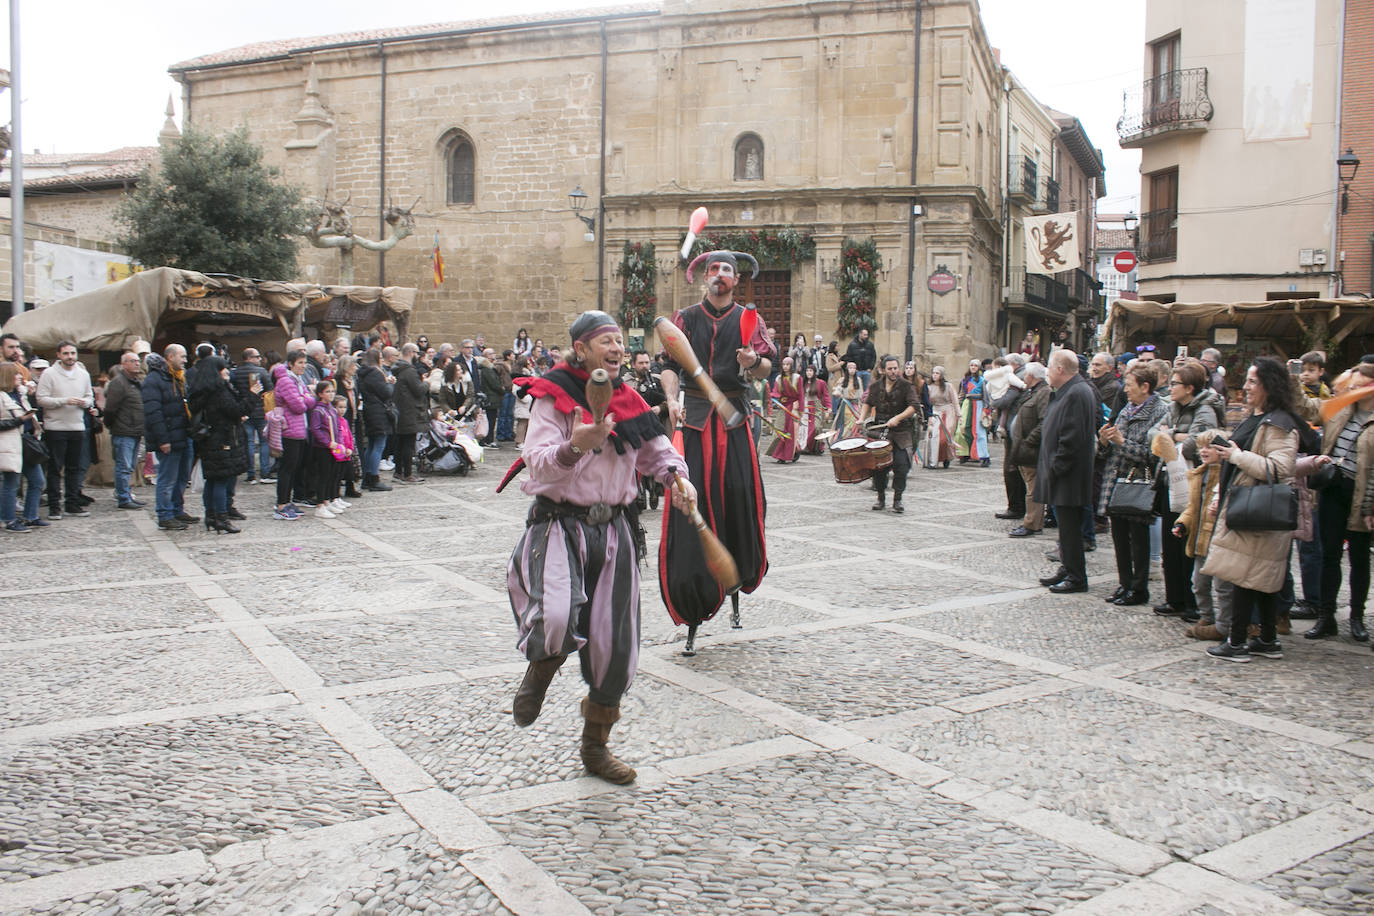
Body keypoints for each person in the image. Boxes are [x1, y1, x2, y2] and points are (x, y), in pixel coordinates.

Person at [505, 311, 693, 784]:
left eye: (619, 342)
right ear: (582, 349)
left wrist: (676, 477)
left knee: (617, 646)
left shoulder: (630, 402)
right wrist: (576, 444)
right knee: (554, 617)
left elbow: (656, 454)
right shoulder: (555, 395)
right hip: (559, 524)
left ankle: (595, 748)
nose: (615, 348)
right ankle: (541, 672)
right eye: (604, 341)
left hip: (615, 532)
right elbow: (538, 463)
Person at [659, 248, 772, 652]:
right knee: (692, 506)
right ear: (705, 277)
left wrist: (752, 358)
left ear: (736, 279)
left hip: (734, 422)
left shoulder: (748, 319)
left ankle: (735, 588)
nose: (720, 274)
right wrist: (672, 398)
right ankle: (693, 609)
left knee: (739, 500)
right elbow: (668, 365)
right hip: (694, 421)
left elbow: (766, 369)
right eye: (714, 269)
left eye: (727, 269)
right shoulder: (686, 319)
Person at [1200, 357, 1302, 661]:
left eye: (1253, 381)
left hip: (1258, 510)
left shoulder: (1281, 424)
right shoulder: (1259, 417)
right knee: (1259, 578)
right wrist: (1224, 455)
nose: (1246, 386)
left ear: (1270, 386)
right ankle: (1267, 639)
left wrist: (1236, 455)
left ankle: (1237, 642)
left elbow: (1280, 469)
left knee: (1244, 578)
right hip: (1249, 507)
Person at [1152, 359, 1224, 619]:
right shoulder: (1173, 407)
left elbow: (1198, 444)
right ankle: (1175, 599)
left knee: (1186, 543)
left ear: (1190, 387)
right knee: (1170, 543)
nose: (1170, 388)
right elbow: (1154, 435)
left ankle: (1191, 602)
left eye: (1175, 384)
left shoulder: (1205, 411)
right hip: (1170, 481)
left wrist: (1170, 435)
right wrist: (1175, 435)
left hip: (1193, 485)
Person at [1308, 363, 1374, 644]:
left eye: (1359, 386)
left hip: (1361, 495)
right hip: (1333, 488)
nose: (1353, 391)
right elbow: (1310, 409)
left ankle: (1357, 618)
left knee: (1359, 557)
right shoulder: (1342, 409)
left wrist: (1370, 505)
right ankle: (1326, 616)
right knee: (1329, 554)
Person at [1096, 365, 1170, 605]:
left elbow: (1153, 455)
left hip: (1139, 483)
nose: (1125, 390)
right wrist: (1105, 441)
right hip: (1116, 481)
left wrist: (1121, 442)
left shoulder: (1159, 412)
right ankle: (1124, 584)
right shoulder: (1128, 407)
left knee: (1138, 540)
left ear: (1144, 386)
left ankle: (1139, 589)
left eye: (1129, 385)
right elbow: (1111, 446)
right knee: (1119, 537)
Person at [1036, 350, 1097, 594]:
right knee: (1065, 528)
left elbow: (1072, 438)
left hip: (1068, 475)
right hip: (1062, 474)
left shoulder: (1077, 393)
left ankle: (1076, 576)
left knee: (1071, 528)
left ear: (1061, 369)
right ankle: (1068, 567)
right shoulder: (1070, 390)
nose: (1047, 372)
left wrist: (1055, 468)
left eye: (1049, 368)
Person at [187, 355, 257, 533]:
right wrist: (252, 395)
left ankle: (211, 516)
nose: (227, 371)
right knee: (221, 479)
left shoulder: (202, 389)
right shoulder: (218, 391)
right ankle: (221, 518)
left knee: (212, 479)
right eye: (223, 368)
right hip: (222, 439)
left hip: (210, 439)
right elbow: (236, 410)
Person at [35, 341, 94, 519]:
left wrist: (85, 403)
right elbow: (41, 399)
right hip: (56, 426)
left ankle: (72, 503)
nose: (70, 357)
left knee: (74, 468)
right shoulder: (49, 374)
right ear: (59, 355)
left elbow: (89, 396)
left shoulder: (83, 374)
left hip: (77, 426)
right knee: (55, 468)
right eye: (66, 353)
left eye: (73, 353)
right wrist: (64, 400)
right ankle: (54, 506)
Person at [142, 345, 198, 530]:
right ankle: (165, 514)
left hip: (183, 434)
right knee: (167, 478)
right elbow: (153, 412)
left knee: (182, 477)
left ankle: (177, 510)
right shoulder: (154, 380)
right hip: (169, 437)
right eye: (182, 356)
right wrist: (162, 439)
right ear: (170, 356)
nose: (185, 360)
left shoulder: (178, 378)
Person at [860, 355, 920, 513]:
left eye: (895, 368)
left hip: (901, 432)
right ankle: (881, 498)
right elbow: (867, 402)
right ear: (883, 370)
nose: (893, 372)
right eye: (890, 369)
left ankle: (897, 499)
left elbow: (914, 406)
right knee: (879, 468)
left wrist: (898, 418)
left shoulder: (906, 386)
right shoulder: (876, 386)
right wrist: (861, 419)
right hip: (880, 432)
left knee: (901, 466)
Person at [272, 349, 317, 520]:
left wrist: (305, 397)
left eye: (305, 363)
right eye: (300, 363)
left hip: (299, 429)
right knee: (287, 468)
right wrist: (306, 397)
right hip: (289, 429)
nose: (303, 366)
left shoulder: (297, 380)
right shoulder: (286, 381)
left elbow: (308, 400)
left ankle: (288, 501)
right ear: (290, 364)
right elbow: (299, 406)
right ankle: (281, 504)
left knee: (295, 467)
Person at [1008, 362, 1051, 538]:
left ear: (1032, 376)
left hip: (1032, 450)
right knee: (1031, 486)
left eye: (1025, 374)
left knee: (1033, 488)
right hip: (1024, 448)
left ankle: (1032, 523)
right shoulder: (1032, 392)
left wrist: (1028, 442)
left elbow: (1044, 421)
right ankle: (1034, 521)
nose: (1024, 377)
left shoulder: (1044, 393)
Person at [103, 351, 146, 510]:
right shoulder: (118, 383)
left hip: (135, 430)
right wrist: (113, 425)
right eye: (132, 361)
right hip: (123, 430)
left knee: (129, 466)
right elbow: (110, 409)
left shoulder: (136, 382)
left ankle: (127, 494)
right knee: (123, 465)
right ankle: (123, 497)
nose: (137, 363)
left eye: (137, 361)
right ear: (124, 364)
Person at [0, 362, 39, 532]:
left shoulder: (20, 394)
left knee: (37, 480)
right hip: (9, 443)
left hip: (26, 441)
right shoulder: (1, 397)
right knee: (11, 483)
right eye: (16, 374)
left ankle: (30, 516)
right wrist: (20, 420)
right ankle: (8, 519)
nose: (20, 377)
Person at [232, 348, 273, 484]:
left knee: (248, 442)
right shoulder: (261, 372)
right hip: (260, 410)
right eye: (257, 357)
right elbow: (269, 389)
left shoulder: (235, 372)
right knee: (264, 442)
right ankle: (265, 473)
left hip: (244, 411)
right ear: (249, 358)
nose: (259, 359)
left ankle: (250, 474)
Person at [356, 348, 395, 492]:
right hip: (378, 411)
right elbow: (385, 393)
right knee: (378, 445)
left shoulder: (363, 373)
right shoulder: (375, 373)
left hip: (370, 409)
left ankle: (368, 477)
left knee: (372, 445)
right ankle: (373, 477)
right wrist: (390, 384)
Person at [308, 379, 346, 518]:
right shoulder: (318, 410)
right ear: (320, 394)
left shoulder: (331, 409)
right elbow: (315, 429)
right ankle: (320, 504)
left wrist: (340, 443)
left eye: (332, 391)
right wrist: (327, 442)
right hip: (323, 447)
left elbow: (338, 428)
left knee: (331, 474)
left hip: (334, 446)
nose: (331, 394)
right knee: (323, 475)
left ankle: (326, 500)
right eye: (327, 392)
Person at [391, 344, 428, 482]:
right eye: (416, 353)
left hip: (401, 410)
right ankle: (407, 474)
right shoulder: (410, 371)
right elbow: (418, 389)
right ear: (411, 353)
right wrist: (426, 383)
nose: (418, 356)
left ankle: (398, 472)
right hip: (409, 411)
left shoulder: (399, 370)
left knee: (401, 442)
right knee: (408, 443)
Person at [766, 356, 803, 463]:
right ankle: (780, 453)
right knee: (779, 430)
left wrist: (800, 409)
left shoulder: (797, 378)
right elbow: (775, 391)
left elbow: (801, 394)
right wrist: (769, 394)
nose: (785, 366)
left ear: (791, 366)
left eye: (787, 364)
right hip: (783, 407)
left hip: (794, 407)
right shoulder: (778, 378)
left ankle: (786, 455)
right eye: (784, 364)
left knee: (791, 433)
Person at [928, 366, 958, 469]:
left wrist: (959, 415)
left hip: (948, 412)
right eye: (933, 373)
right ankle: (933, 460)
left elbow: (955, 401)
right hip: (935, 412)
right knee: (934, 437)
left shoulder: (948, 386)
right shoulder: (929, 387)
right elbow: (928, 403)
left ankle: (947, 457)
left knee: (945, 438)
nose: (935, 375)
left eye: (937, 373)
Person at [799, 363, 831, 455]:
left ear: (814, 372)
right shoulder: (802, 383)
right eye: (807, 371)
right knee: (803, 428)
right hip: (804, 407)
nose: (809, 373)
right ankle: (804, 446)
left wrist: (828, 407)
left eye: (811, 371)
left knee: (816, 427)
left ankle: (815, 447)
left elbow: (826, 396)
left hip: (816, 407)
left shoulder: (820, 383)